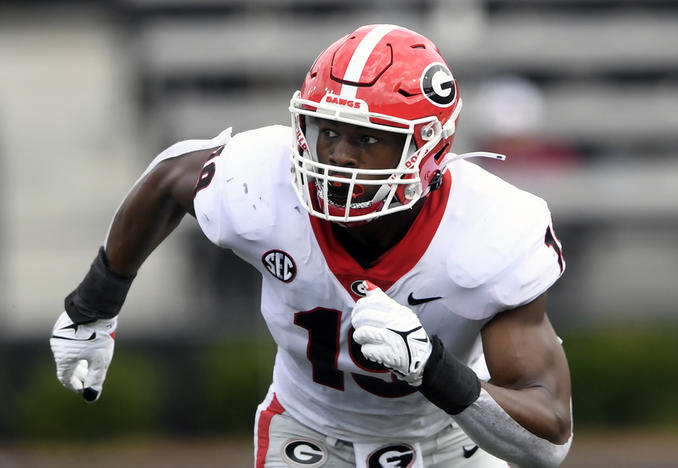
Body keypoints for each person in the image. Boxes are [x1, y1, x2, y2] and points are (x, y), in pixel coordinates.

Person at [50, 24, 573, 467]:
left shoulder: (491, 228)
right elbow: (168, 181)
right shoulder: (262, 179)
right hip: (308, 433)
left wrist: (434, 369)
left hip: (450, 443)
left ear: (428, 147)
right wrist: (91, 308)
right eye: (328, 130)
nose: (339, 156)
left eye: (368, 139)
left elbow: (548, 437)